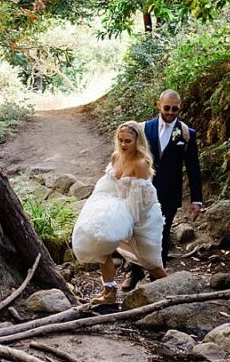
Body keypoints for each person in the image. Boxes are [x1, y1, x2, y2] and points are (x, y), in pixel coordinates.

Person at [71, 121, 168, 304]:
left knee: (150, 261)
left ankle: (176, 291)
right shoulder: (116, 157)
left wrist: (129, 225)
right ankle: (109, 292)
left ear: (137, 141)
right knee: (102, 242)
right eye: (120, 140)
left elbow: (140, 199)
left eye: (128, 141)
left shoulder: (140, 164)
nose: (123, 145)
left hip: (140, 215)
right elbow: (108, 186)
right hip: (118, 210)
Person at [125, 89, 204, 290]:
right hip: (141, 190)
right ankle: (134, 273)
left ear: (180, 107)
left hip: (169, 193)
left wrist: (197, 200)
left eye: (174, 109)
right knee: (137, 231)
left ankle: (157, 279)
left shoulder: (186, 134)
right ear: (158, 104)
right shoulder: (142, 129)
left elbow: (193, 168)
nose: (170, 112)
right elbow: (129, 158)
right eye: (167, 108)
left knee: (162, 233)